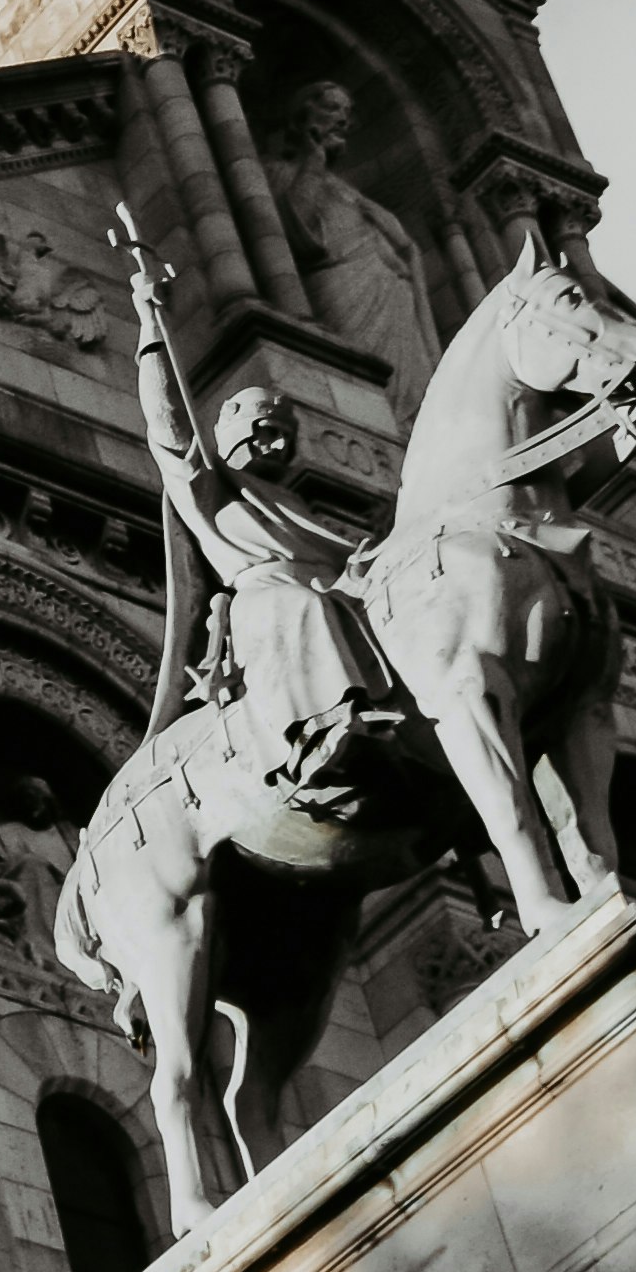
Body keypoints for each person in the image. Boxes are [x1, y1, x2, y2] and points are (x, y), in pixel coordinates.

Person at [120, 214, 393, 799]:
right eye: (263, 429)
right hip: (268, 598)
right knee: (299, 605)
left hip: (334, 591)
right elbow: (168, 424)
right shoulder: (206, 485)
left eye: (283, 435)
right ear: (227, 431)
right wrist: (150, 321)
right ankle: (315, 736)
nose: (276, 443)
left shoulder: (293, 501)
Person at [270, 73, 445, 423]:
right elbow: (292, 233)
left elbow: (403, 250)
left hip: (391, 299)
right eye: (332, 108)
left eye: (346, 112)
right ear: (304, 114)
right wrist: (314, 161)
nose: (342, 119)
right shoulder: (279, 171)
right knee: (357, 385)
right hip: (341, 291)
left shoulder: (349, 190)